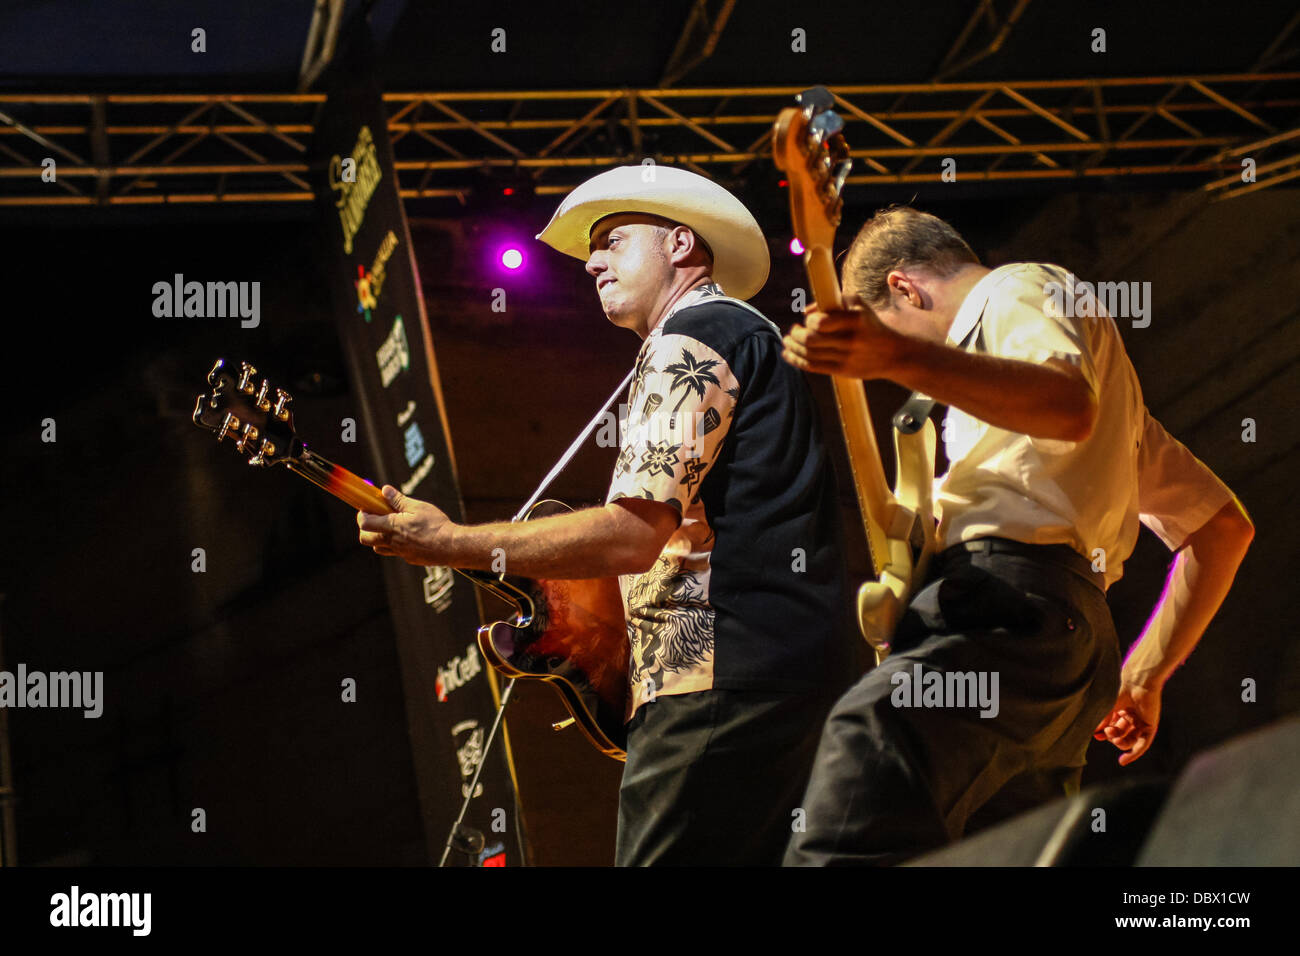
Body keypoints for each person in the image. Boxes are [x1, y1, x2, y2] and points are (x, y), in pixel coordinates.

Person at [358, 165, 857, 865]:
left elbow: (631, 535)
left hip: (719, 676)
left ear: (682, 245)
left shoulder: (698, 335)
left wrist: (450, 541)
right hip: (779, 676)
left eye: (615, 240)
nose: (592, 260)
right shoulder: (735, 335)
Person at [779, 205, 1254, 865]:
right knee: (1001, 851)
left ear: (904, 289)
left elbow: (1064, 404)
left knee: (866, 749)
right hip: (1063, 642)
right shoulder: (1120, 415)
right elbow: (1220, 528)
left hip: (1012, 608)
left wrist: (895, 355)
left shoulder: (1020, 286)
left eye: (891, 328)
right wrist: (1145, 675)